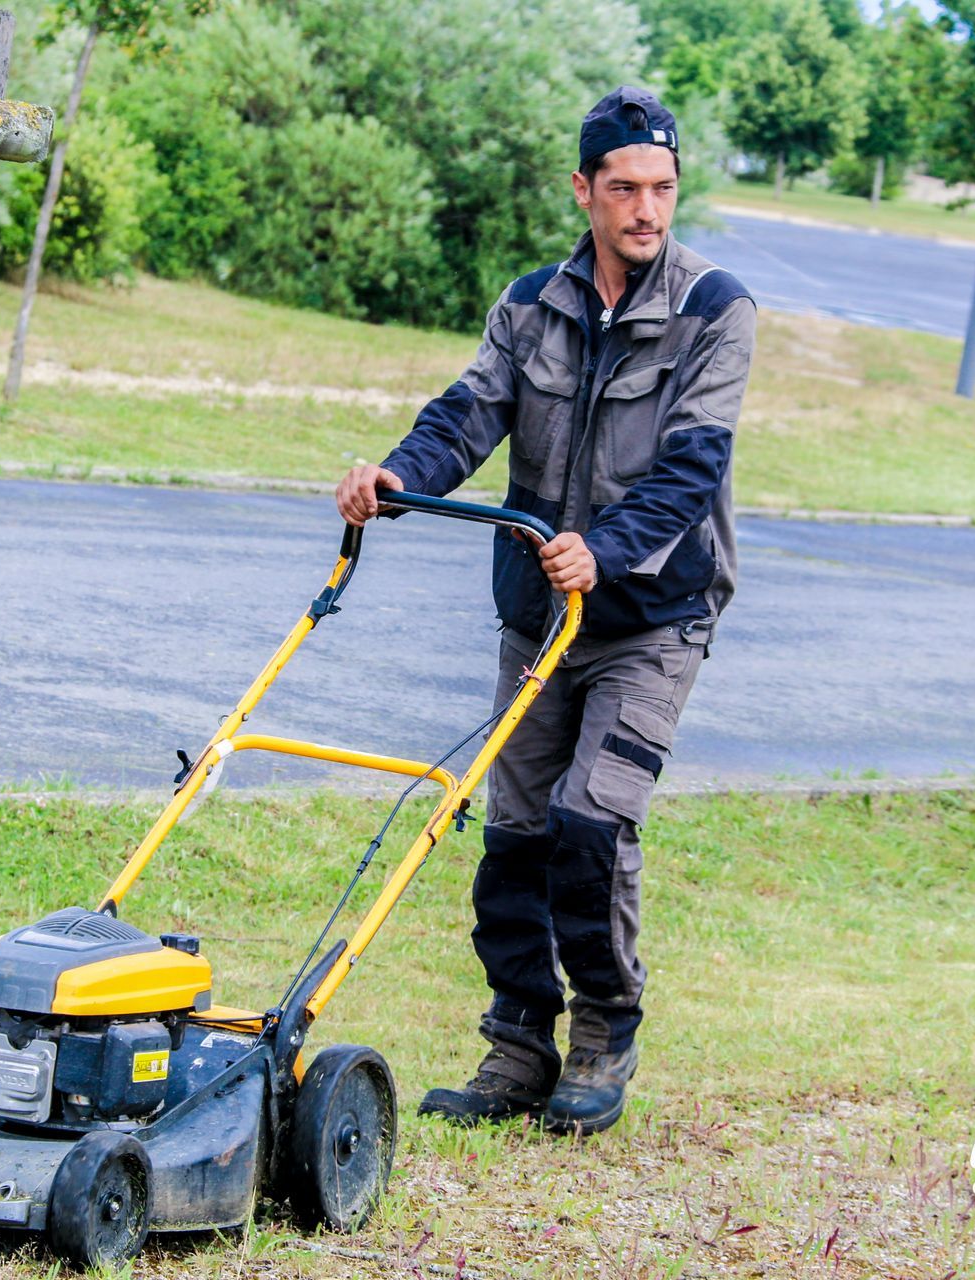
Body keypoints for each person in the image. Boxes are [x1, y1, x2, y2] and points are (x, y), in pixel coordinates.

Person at [334, 86, 758, 1136]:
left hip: (650, 617)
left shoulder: (716, 309)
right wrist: (395, 476)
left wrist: (602, 550)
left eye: (661, 188)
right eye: (624, 188)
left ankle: (604, 1031)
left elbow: (691, 468)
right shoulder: (533, 304)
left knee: (592, 817)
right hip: (537, 613)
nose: (646, 209)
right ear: (585, 191)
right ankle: (517, 1042)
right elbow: (467, 411)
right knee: (517, 829)